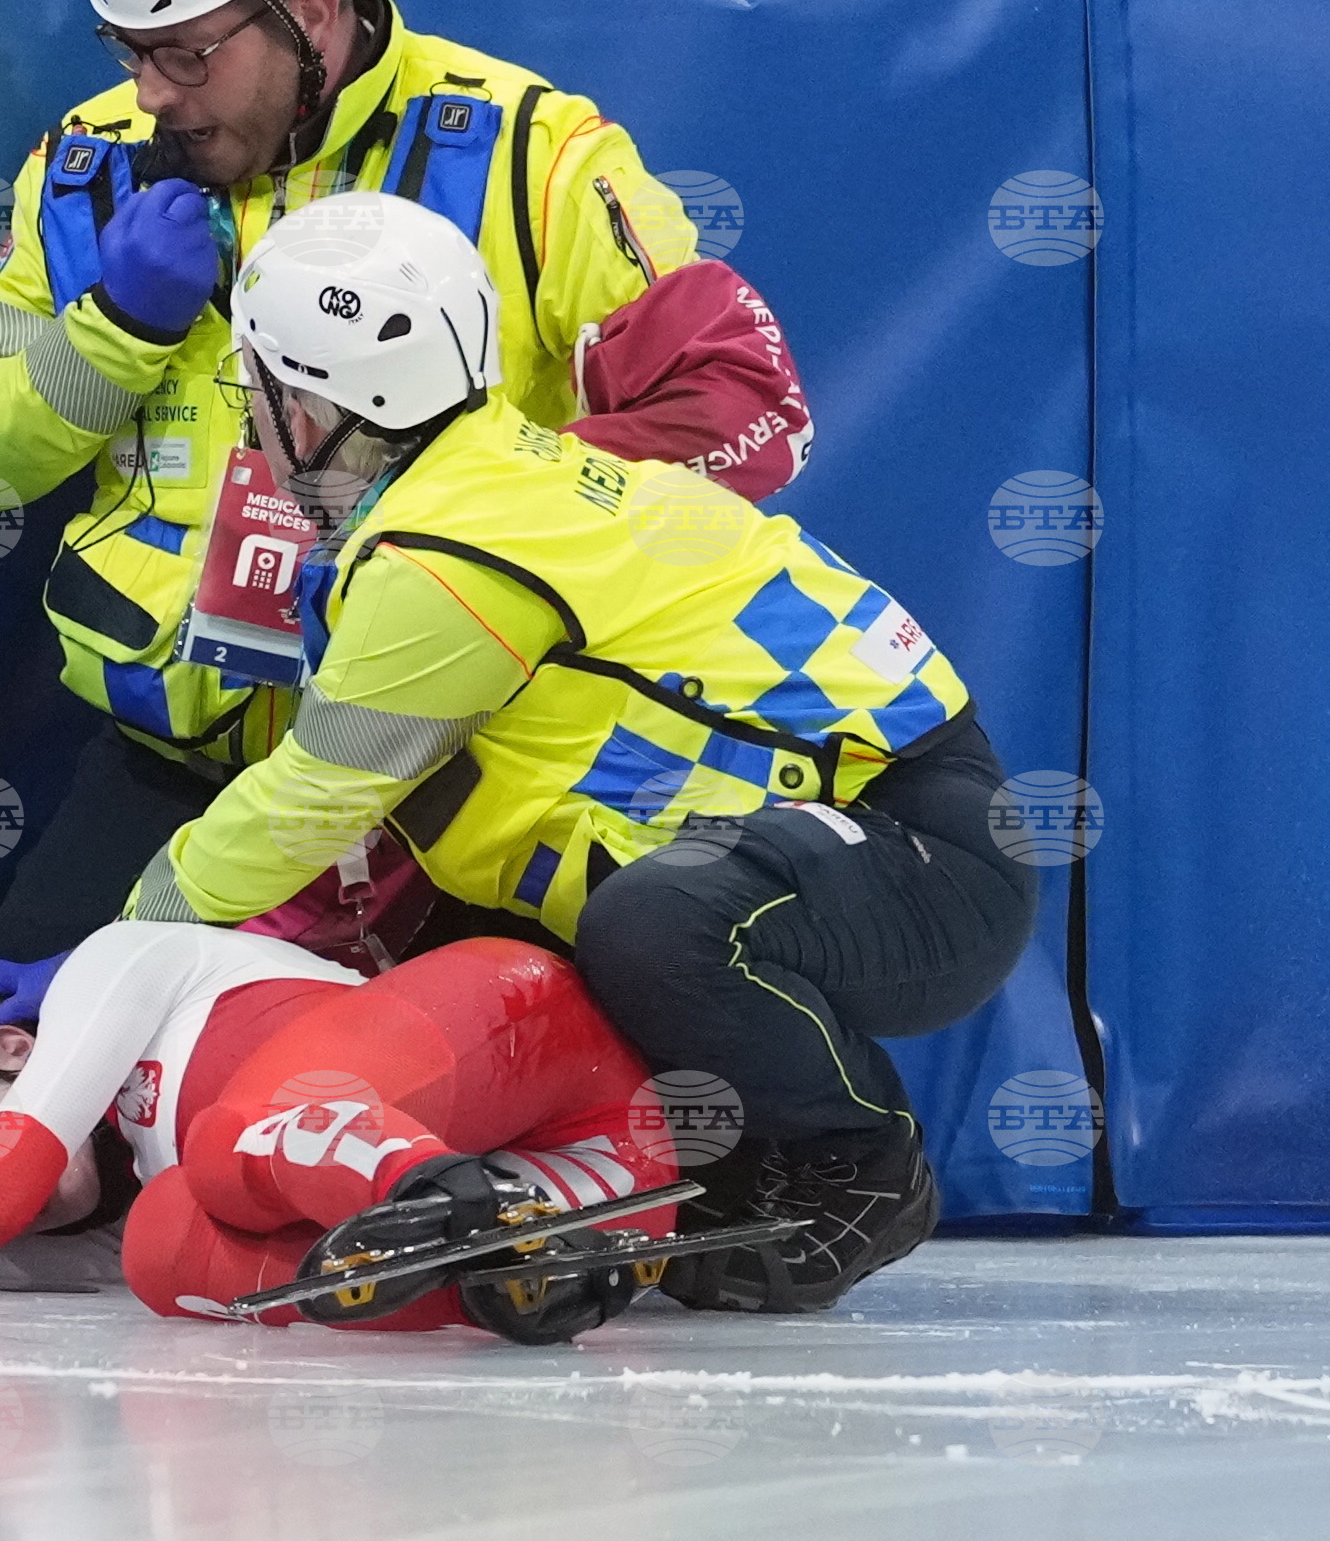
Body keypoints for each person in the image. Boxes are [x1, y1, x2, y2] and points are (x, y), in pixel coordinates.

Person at [0, 0, 812, 965]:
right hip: (183, 775)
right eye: (127, 50)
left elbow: (747, 410)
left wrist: (466, 508)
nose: (149, 94)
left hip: (461, 781)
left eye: (184, 54)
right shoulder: (85, 169)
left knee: (426, 1125)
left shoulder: (534, 157)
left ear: (312, 11)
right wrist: (111, 327)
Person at [121, 191, 1036, 1315]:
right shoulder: (484, 474)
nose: (249, 414)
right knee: (532, 933)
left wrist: (119, 952)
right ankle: (727, 1153)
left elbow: (310, 801)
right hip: (854, 839)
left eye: (252, 383)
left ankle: (860, 1161)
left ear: (305, 403)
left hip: (920, 854)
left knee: (655, 918)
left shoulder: (442, 555)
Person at [0, 791, 680, 1341]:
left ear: (16, 1050)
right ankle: (508, 1269)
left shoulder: (113, 965)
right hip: (604, 1201)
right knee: (163, 1247)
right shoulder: (88, 1228)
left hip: (539, 1051)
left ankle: (443, 1202)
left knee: (229, 1144)